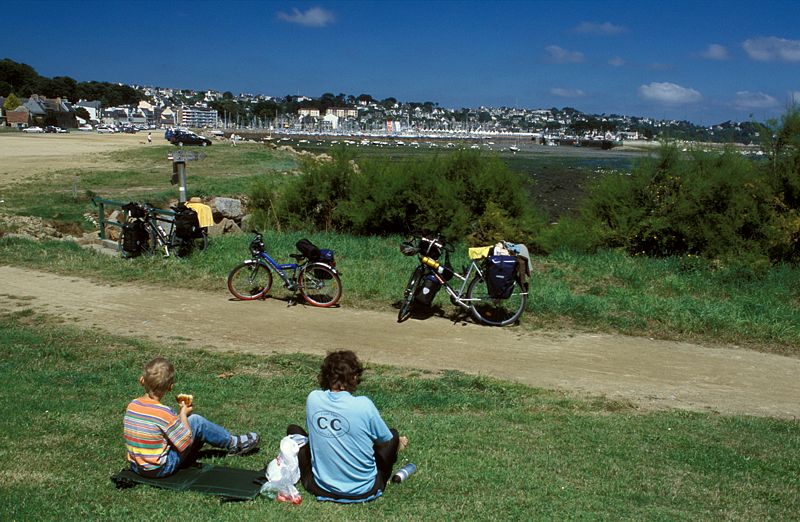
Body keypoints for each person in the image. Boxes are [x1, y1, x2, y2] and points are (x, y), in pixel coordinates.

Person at [288, 350, 408, 503]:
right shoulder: (364, 405)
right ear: (355, 377)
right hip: (364, 490)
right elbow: (384, 441)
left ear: (325, 377)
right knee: (392, 435)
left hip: (321, 487)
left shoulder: (313, 399)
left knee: (293, 431)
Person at [123, 357, 260, 478]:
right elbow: (185, 442)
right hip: (159, 469)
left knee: (181, 425)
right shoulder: (164, 413)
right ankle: (233, 443)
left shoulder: (132, 405)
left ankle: (223, 441)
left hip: (136, 466)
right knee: (196, 421)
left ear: (142, 380)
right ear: (170, 387)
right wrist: (183, 414)